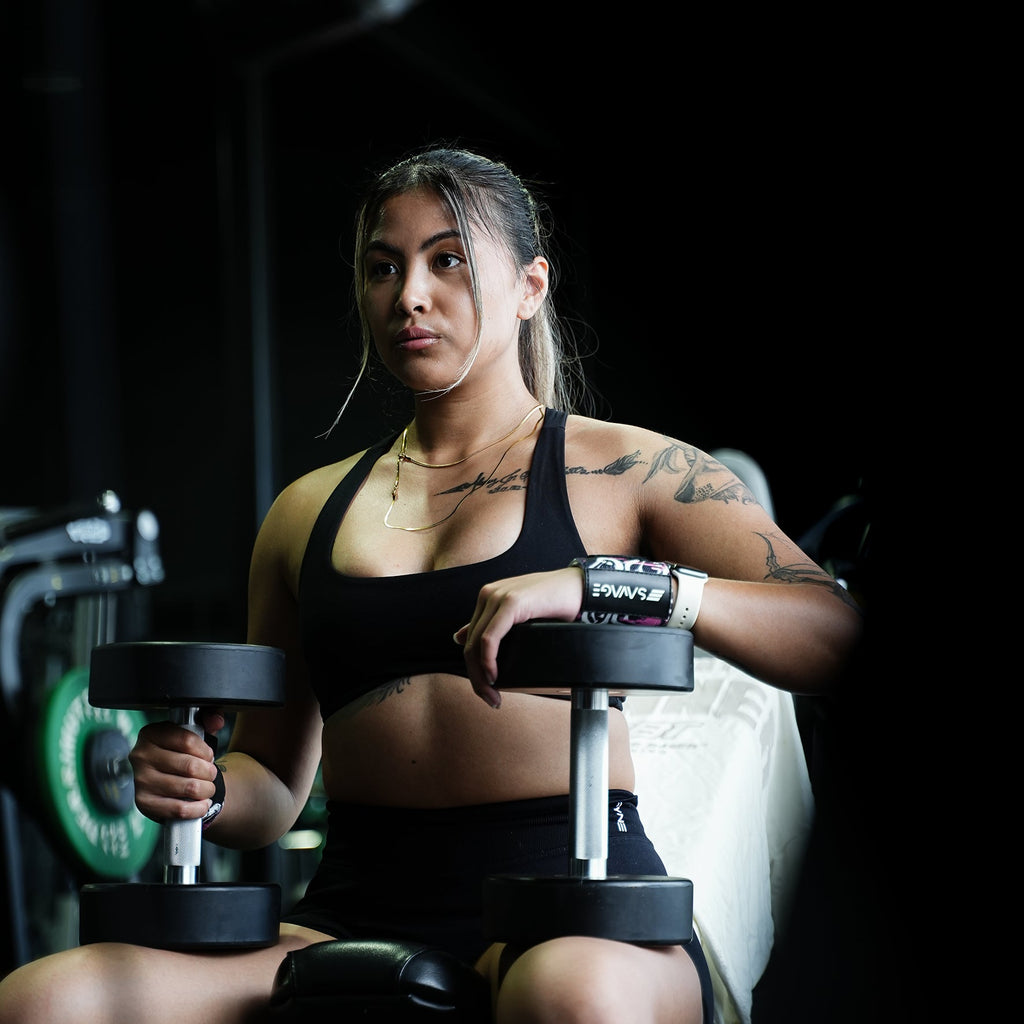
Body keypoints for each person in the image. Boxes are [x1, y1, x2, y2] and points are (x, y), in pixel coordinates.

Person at [0, 147, 862, 1023]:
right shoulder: (303, 513)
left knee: (571, 993)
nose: (408, 293)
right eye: (384, 266)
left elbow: (835, 634)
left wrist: (612, 584)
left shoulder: (631, 469)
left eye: (447, 259)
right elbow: (272, 779)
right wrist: (207, 790)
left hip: (576, 904)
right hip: (354, 907)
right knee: (48, 1001)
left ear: (530, 287)